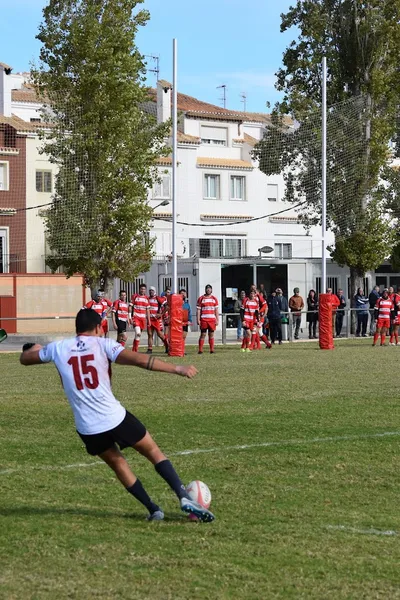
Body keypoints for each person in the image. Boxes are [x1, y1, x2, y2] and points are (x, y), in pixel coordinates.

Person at [19, 309, 214, 522]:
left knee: (119, 464)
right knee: (153, 451)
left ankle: (153, 509)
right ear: (97, 328)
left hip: (87, 427)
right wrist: (177, 368)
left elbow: (26, 359)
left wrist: (34, 350)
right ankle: (183, 496)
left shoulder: (57, 348)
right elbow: (141, 360)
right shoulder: (103, 344)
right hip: (114, 417)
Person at [197, 284, 219, 355]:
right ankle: (200, 350)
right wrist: (198, 319)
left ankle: (212, 350)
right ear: (205, 290)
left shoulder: (214, 299)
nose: (208, 290)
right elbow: (198, 310)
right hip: (204, 319)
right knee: (203, 334)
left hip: (212, 319)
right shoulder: (201, 298)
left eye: (209, 289)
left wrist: (217, 319)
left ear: (211, 290)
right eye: (207, 289)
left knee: (211, 334)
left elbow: (216, 310)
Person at [147, 287, 168, 354]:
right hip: (150, 319)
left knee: (160, 334)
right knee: (150, 334)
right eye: (150, 290)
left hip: (156, 320)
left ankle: (167, 346)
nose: (151, 292)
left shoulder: (158, 298)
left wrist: (161, 314)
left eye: (152, 290)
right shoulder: (147, 299)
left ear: (155, 291)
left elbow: (167, 307)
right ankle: (150, 349)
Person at [130, 284, 151, 352]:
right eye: (141, 289)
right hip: (136, 317)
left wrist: (149, 320)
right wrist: (130, 317)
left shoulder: (146, 298)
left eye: (144, 289)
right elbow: (130, 307)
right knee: (138, 333)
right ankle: (135, 350)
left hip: (142, 319)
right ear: (139, 289)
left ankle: (134, 350)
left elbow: (147, 310)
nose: (143, 290)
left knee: (138, 335)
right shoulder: (135, 296)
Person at [180, 288, 192, 353]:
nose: (183, 295)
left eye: (184, 293)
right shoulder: (177, 303)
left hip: (185, 323)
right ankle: (179, 349)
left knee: (184, 337)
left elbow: (189, 313)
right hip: (178, 323)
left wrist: (190, 320)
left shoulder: (187, 304)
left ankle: (182, 349)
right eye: (182, 294)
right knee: (179, 337)